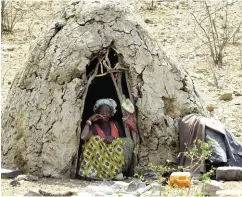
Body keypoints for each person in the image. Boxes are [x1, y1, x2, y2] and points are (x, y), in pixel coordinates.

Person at [79, 98, 134, 180]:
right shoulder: (94, 127)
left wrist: (113, 139)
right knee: (94, 140)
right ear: (97, 114)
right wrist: (89, 120)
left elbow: (123, 140)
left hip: (115, 161)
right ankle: (98, 174)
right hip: (100, 164)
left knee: (127, 142)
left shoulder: (116, 124)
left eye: (107, 112)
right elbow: (83, 137)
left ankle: (118, 171)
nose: (104, 114)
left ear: (111, 114)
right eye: (101, 112)